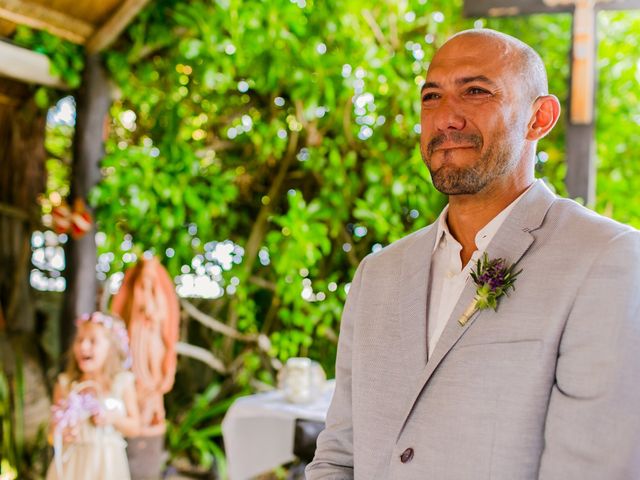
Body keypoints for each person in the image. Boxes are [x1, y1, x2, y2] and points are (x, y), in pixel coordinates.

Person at [306, 29, 640, 479]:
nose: (446, 119)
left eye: (476, 91)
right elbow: (339, 456)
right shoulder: (377, 275)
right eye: (431, 98)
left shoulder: (605, 259)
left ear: (538, 118)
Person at [46, 311, 141, 480]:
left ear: (110, 347)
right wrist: (64, 433)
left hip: (106, 467)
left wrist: (113, 419)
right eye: (79, 340)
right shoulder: (65, 385)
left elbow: (135, 427)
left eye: (92, 341)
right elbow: (53, 435)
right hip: (72, 467)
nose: (83, 346)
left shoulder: (122, 383)